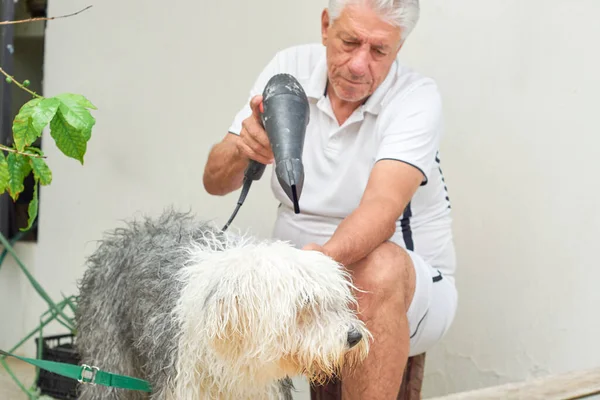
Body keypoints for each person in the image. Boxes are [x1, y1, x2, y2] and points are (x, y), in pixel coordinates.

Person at [203, 0, 457, 398]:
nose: (359, 65)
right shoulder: (288, 69)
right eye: (350, 42)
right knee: (222, 285)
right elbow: (215, 182)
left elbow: (381, 210)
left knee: (379, 268)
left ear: (399, 47)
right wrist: (243, 148)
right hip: (304, 276)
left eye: (378, 51)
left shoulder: (416, 99)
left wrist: (314, 268)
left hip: (405, 286)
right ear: (326, 26)